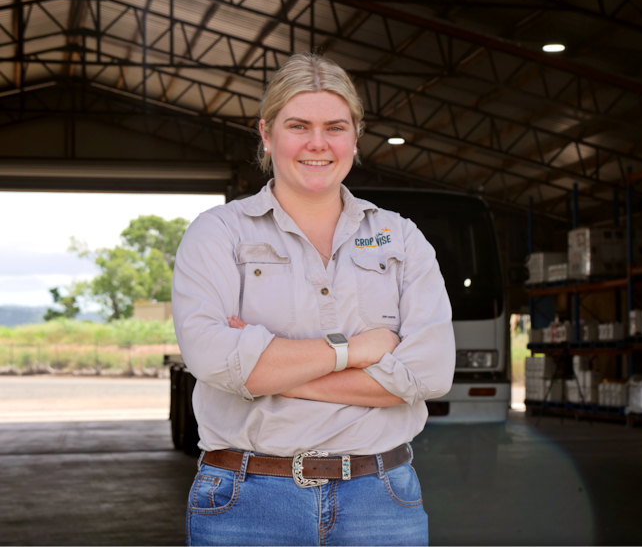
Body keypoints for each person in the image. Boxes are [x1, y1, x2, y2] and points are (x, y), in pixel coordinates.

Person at [172, 52, 456, 546]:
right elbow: (213, 359)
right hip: (247, 497)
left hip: (381, 497)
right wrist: (356, 351)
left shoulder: (400, 237)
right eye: (298, 125)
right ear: (266, 133)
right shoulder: (218, 233)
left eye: (335, 126)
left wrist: (268, 371)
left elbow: (429, 374)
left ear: (355, 135)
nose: (318, 144)